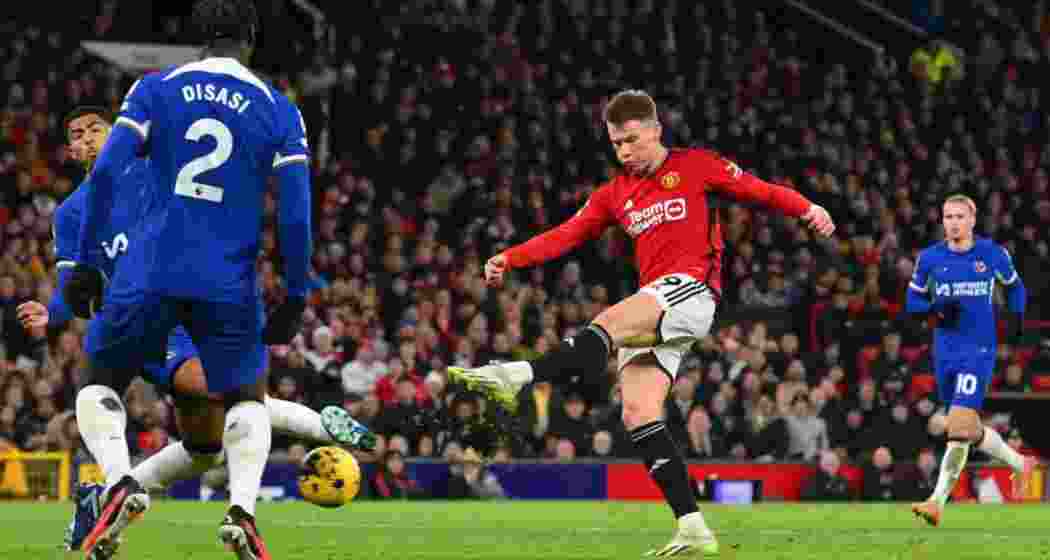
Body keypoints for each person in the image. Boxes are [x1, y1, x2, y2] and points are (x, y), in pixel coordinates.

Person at [449, 89, 835, 557]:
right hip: (659, 305)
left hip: (691, 291)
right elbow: (566, 234)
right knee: (638, 413)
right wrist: (510, 257)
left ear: (656, 131)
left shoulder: (697, 165)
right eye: (616, 144)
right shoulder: (616, 193)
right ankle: (692, 527)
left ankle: (517, 376)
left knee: (608, 321)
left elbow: (761, 190)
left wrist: (808, 209)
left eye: (632, 140)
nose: (625, 151)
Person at [17, 106, 375, 553]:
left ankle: (105, 496)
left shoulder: (156, 174)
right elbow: (73, 284)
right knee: (222, 388)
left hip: (194, 305)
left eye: (97, 129)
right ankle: (298, 449)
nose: (88, 137)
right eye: (78, 134)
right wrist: (53, 312)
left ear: (116, 137)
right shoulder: (72, 213)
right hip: (142, 320)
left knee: (204, 446)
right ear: (71, 150)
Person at [61, 1, 312, 557]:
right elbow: (295, 214)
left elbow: (103, 173)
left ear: (197, 38)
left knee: (99, 380)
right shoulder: (279, 110)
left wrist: (84, 262)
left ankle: (119, 478)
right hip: (228, 278)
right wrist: (296, 293)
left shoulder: (155, 89)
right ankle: (241, 511)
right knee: (246, 396)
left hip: (150, 267)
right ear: (251, 38)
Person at [907, 194, 1036, 526]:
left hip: (978, 349)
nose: (953, 222)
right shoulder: (929, 258)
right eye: (948, 216)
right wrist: (934, 309)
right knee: (963, 428)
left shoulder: (992, 254)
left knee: (958, 426)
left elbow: (1016, 287)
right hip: (945, 349)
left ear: (972, 220)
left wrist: (1017, 320)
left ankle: (936, 502)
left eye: (960, 216)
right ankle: (1020, 464)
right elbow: (912, 302)